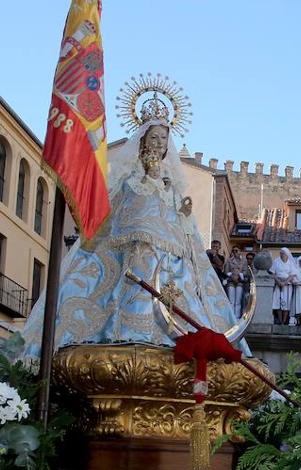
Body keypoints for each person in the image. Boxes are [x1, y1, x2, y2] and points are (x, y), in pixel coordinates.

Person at [17, 101, 244, 358]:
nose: (159, 143)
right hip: (135, 252)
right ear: (143, 140)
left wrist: (183, 213)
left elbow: (176, 220)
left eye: (163, 138)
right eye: (154, 137)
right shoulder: (130, 179)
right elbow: (124, 211)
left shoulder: (172, 186)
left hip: (170, 260)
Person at [270, 247, 298, 326]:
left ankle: (284, 321)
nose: (281, 255)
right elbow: (273, 273)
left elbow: (292, 274)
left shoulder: (291, 263)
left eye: (283, 253)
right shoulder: (276, 261)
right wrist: (278, 281)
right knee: (278, 302)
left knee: (286, 302)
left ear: (287, 254)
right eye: (280, 253)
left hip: (287, 284)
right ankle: (279, 319)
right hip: (278, 282)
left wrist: (285, 282)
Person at [223, 246, 250, 319]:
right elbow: (226, 271)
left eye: (236, 250)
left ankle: (237, 317)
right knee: (231, 300)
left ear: (240, 251)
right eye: (233, 251)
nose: (235, 252)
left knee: (238, 301)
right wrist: (232, 276)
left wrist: (238, 276)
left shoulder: (244, 261)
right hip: (231, 281)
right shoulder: (229, 260)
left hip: (239, 281)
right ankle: (231, 317)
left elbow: (245, 271)